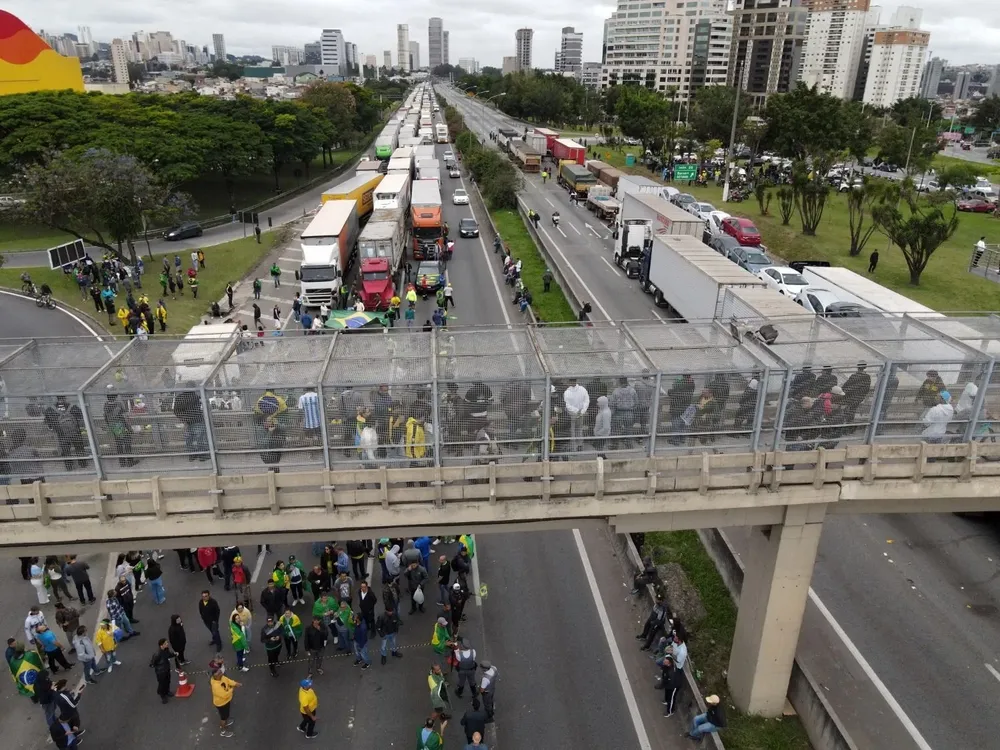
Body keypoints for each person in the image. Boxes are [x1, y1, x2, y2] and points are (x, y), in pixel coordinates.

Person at [210, 668, 241, 738]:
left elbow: (228, 680)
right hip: (221, 704)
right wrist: (232, 689)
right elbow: (225, 695)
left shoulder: (221, 677)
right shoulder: (216, 686)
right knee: (223, 718)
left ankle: (227, 720)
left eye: (220, 672)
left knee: (226, 714)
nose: (222, 673)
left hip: (226, 701)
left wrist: (235, 683)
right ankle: (223, 730)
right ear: (216, 676)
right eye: (219, 673)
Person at [150, 638, 175, 703]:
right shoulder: (157, 654)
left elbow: (168, 655)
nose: (167, 644)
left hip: (166, 669)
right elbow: (152, 663)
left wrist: (174, 654)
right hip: (160, 672)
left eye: (167, 643)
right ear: (161, 645)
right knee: (162, 684)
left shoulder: (166, 650)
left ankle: (167, 691)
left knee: (167, 681)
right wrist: (158, 667)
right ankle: (163, 695)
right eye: (165, 643)